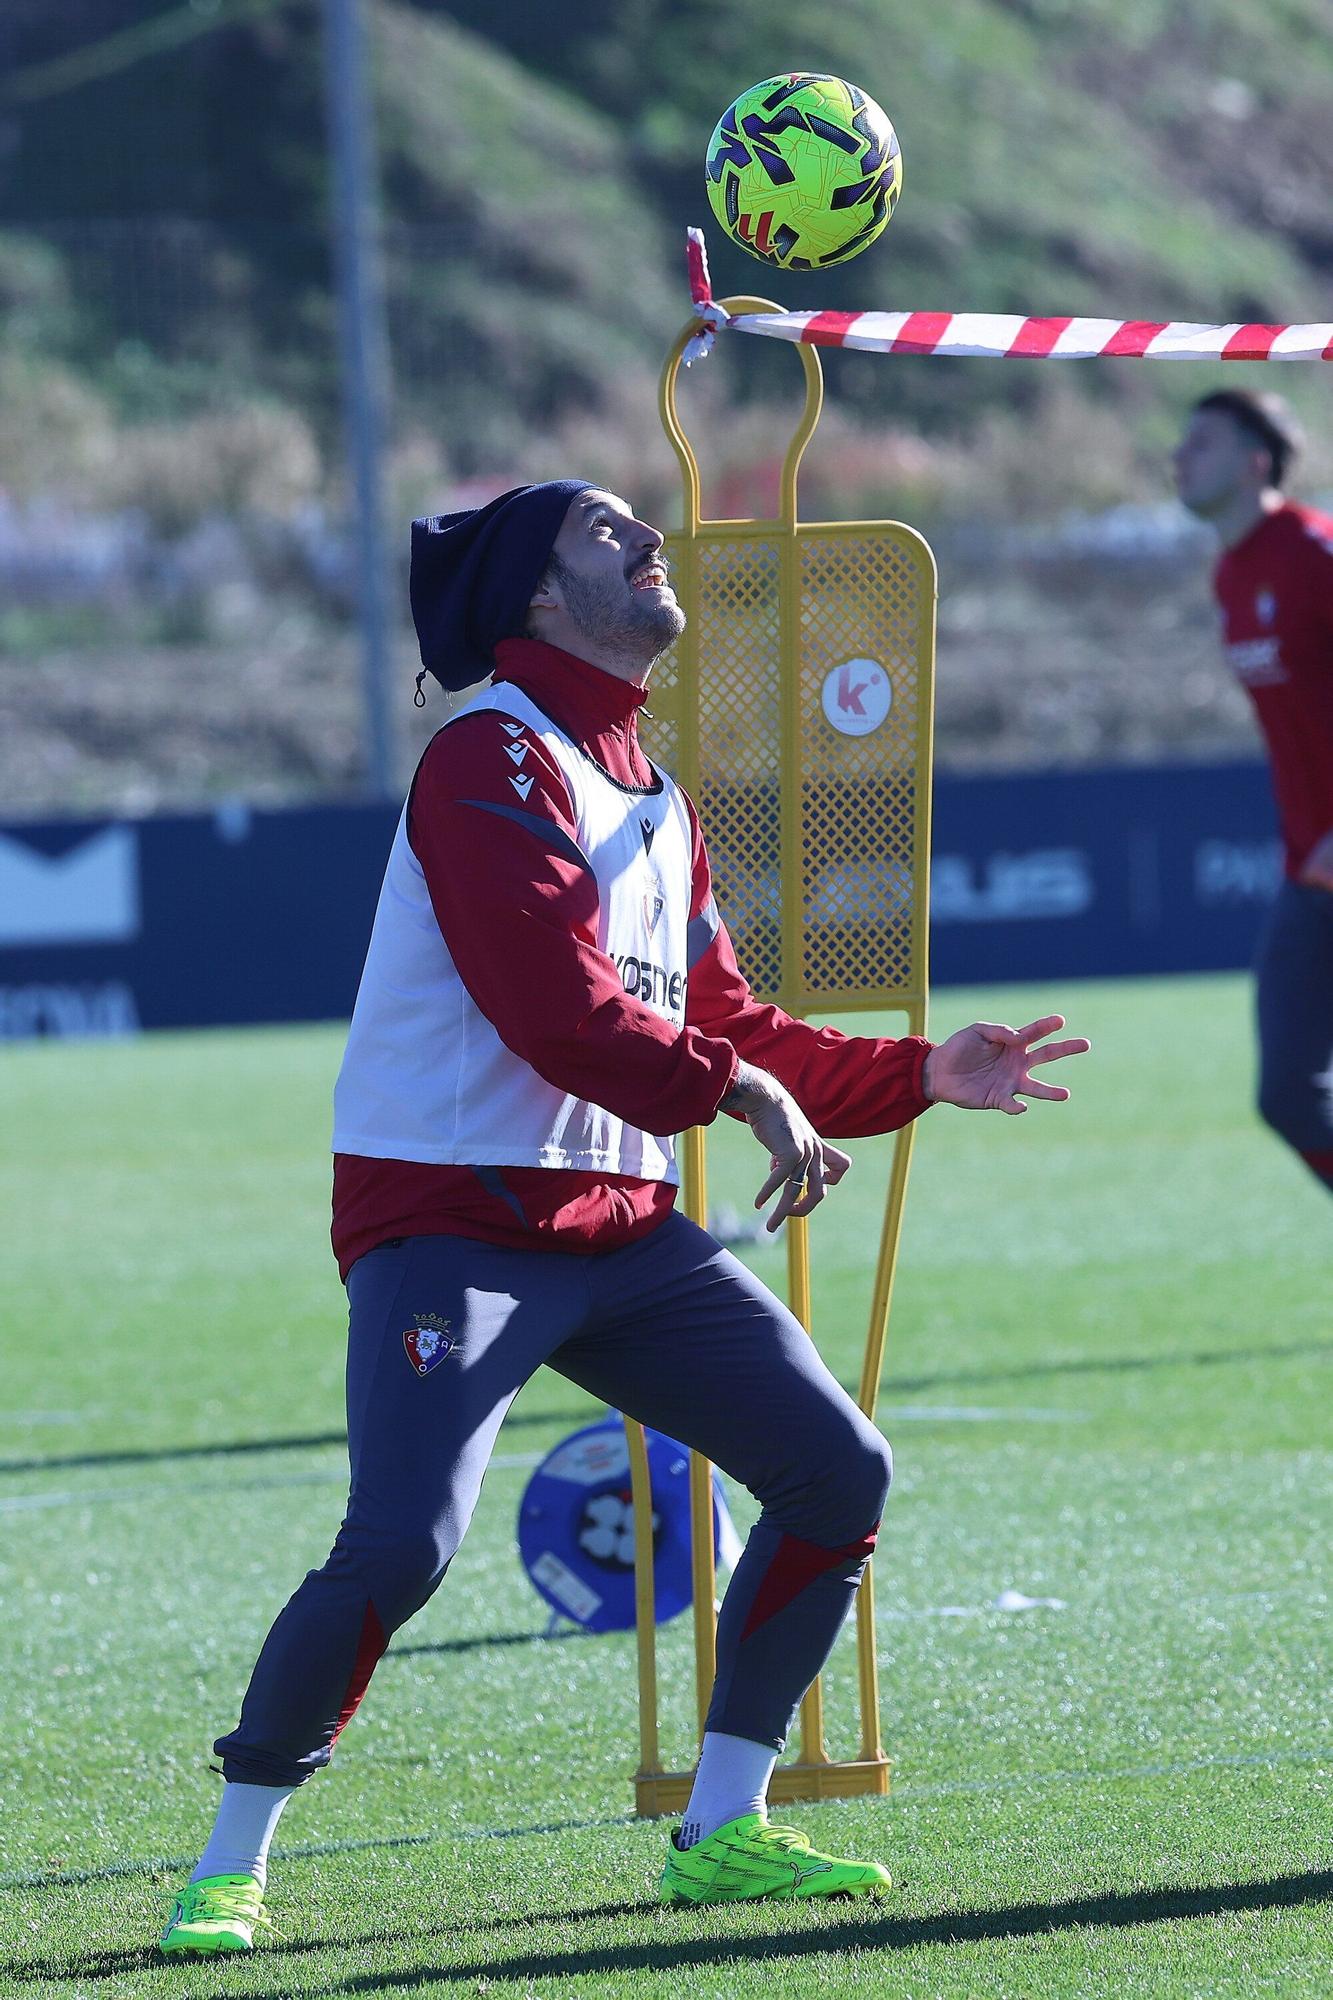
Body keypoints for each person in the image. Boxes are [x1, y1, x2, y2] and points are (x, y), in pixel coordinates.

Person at [160, 480, 1089, 1953]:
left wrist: (918, 1072)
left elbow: (727, 1022)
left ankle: (721, 1832)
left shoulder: (653, 790)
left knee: (837, 1471)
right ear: (536, 595)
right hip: (453, 1221)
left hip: (617, 1226)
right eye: (603, 529)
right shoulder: (485, 754)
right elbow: (555, 1006)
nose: (648, 536)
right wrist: (737, 1090)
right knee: (400, 1546)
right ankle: (227, 1864)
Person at [1173, 390, 1333, 1195]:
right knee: (1287, 1098)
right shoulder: (1230, 574)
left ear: (1253, 463)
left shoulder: (1313, 552)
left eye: (1201, 442)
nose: (1178, 457)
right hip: (1310, 874)